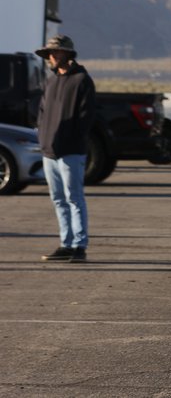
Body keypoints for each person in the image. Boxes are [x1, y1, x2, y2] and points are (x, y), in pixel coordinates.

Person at [35, 35, 96, 263]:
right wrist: (43, 137)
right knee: (58, 198)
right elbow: (42, 112)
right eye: (49, 53)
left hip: (71, 152)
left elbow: (86, 117)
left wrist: (71, 140)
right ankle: (66, 244)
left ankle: (80, 246)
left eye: (55, 52)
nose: (51, 57)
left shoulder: (82, 80)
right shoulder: (50, 82)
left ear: (67, 54)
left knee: (74, 198)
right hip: (48, 151)